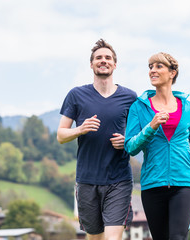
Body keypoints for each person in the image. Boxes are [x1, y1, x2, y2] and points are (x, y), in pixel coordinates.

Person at [124, 52, 190, 240]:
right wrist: (151, 126)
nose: (152, 70)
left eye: (158, 66)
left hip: (184, 181)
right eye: (150, 67)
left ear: (172, 72)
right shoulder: (139, 107)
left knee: (178, 237)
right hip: (153, 183)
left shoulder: (188, 107)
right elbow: (130, 147)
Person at [57, 39, 137, 240]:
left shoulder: (130, 97)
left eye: (108, 58)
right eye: (99, 57)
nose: (104, 60)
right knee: (94, 237)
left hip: (119, 179)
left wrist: (127, 140)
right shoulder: (76, 95)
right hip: (87, 180)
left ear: (115, 64)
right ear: (91, 64)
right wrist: (80, 129)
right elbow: (60, 135)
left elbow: (140, 135)